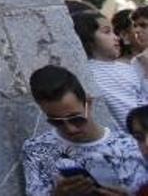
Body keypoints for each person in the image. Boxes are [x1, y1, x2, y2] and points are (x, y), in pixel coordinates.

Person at [21, 65, 148, 195]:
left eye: (76, 119)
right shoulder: (37, 149)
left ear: (89, 103)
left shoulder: (133, 144)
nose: (70, 129)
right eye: (56, 122)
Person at [74, 11, 148, 133]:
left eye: (113, 32)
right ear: (88, 38)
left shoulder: (126, 68)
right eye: (107, 31)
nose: (116, 37)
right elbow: (128, 115)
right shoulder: (93, 74)